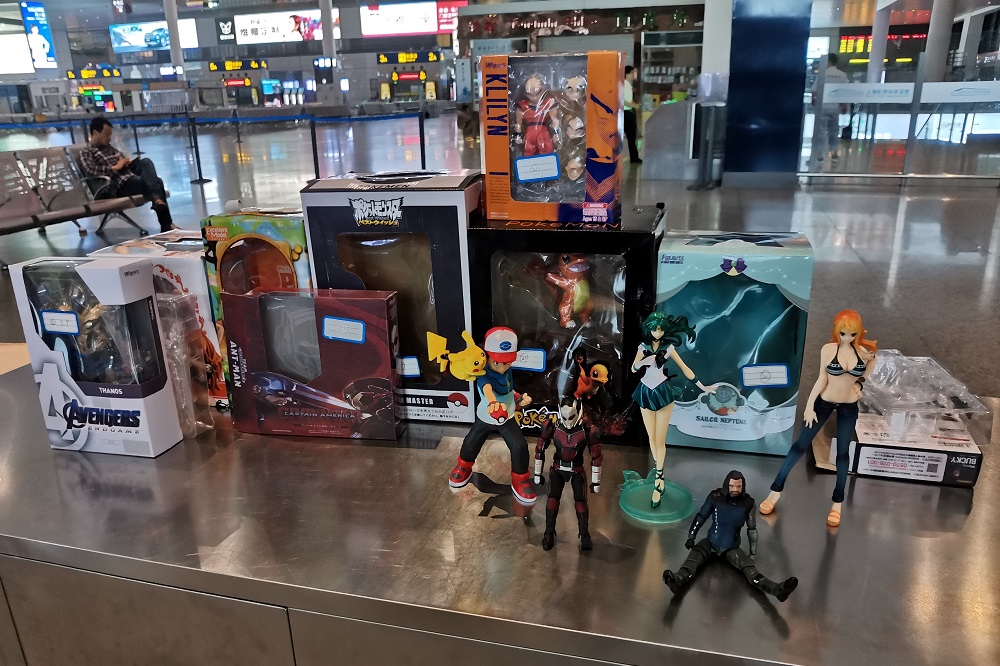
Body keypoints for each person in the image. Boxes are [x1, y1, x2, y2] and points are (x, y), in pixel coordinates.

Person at [760, 310, 876, 527]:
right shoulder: (828, 349)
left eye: (852, 334)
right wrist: (809, 406)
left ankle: (837, 503)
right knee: (799, 445)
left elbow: (870, 367)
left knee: (843, 454)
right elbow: (822, 377)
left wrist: (859, 383)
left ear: (858, 332)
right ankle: (775, 490)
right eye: (843, 333)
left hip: (849, 406)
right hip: (824, 403)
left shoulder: (862, 352)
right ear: (836, 331)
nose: (847, 337)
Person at [663, 471, 798, 602]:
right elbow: (701, 517)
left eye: (738, 486)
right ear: (726, 485)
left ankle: (776, 589)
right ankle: (676, 580)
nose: (735, 489)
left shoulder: (748, 504)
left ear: (743, 486)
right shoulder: (715, 497)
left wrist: (752, 553)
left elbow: (752, 529)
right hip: (710, 542)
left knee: (751, 571)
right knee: (692, 560)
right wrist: (691, 536)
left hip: (732, 547)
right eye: (732, 486)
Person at [631, 312, 716, 508]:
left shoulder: (668, 348)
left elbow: (685, 369)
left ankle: (658, 479)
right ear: (649, 329)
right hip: (645, 391)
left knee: (660, 438)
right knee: (652, 438)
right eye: (655, 329)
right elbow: (634, 369)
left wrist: (702, 387)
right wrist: (643, 362)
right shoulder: (642, 347)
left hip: (663, 392)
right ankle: (658, 472)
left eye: (661, 329)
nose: (658, 333)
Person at [448, 327, 537, 506]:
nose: (503, 368)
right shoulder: (483, 374)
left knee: (519, 446)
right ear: (486, 356)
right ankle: (464, 466)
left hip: (507, 416)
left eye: (507, 363)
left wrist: (519, 398)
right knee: (472, 441)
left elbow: (508, 390)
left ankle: (520, 479)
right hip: (487, 415)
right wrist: (493, 403)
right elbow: (488, 390)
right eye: (497, 363)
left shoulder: (507, 371)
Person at [80, 117, 174, 233]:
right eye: (106, 134)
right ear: (95, 133)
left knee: (146, 162)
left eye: (110, 134)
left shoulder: (109, 148)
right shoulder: (87, 152)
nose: (109, 137)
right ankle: (165, 220)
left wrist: (126, 162)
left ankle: (158, 203)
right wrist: (115, 167)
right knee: (157, 182)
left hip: (130, 176)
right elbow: (90, 170)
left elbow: (121, 159)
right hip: (117, 185)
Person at [812, 53, 849, 164]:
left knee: (821, 132)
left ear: (828, 61)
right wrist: (844, 105)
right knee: (834, 131)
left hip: (823, 107)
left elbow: (814, 91)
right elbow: (845, 92)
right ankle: (834, 154)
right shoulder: (842, 75)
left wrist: (814, 102)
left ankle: (820, 155)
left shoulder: (823, 74)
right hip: (835, 107)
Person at [624, 65, 641, 164]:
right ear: (626, 74)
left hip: (628, 112)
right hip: (626, 113)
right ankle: (634, 157)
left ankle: (634, 156)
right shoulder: (625, 85)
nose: (634, 75)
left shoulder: (628, 85)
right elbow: (623, 101)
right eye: (632, 73)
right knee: (631, 136)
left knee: (632, 136)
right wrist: (634, 106)